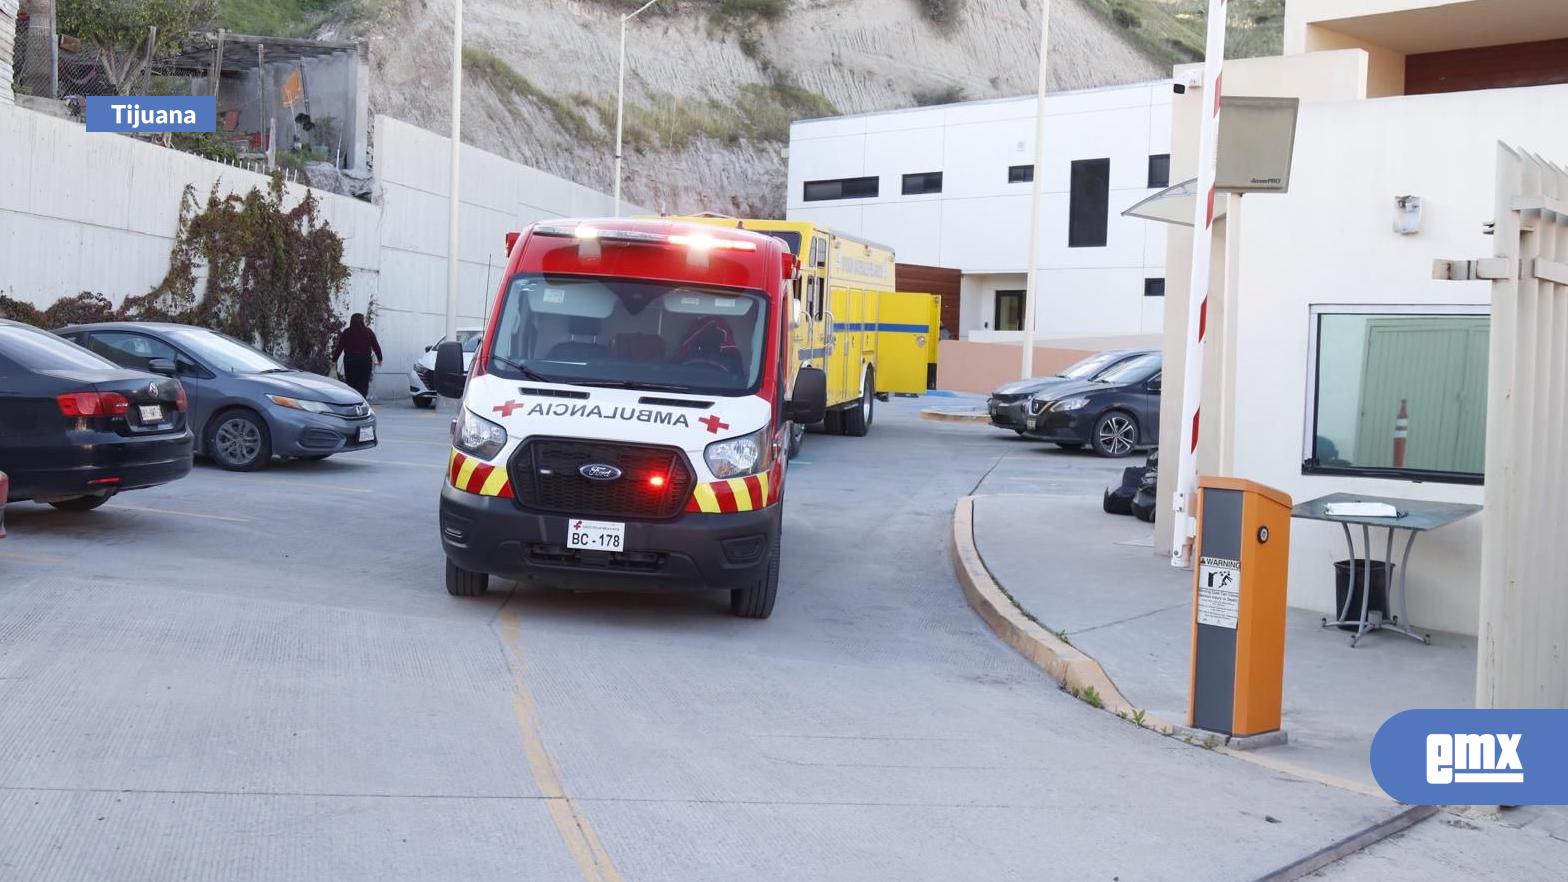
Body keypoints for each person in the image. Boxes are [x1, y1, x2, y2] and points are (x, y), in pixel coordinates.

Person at [331, 313, 383, 398]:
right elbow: (376, 346)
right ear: (362, 321)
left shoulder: (347, 332)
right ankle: (361, 401)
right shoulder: (368, 332)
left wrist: (334, 360)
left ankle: (352, 400)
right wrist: (380, 358)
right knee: (363, 384)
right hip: (365, 361)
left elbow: (339, 347)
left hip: (350, 360)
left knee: (351, 383)